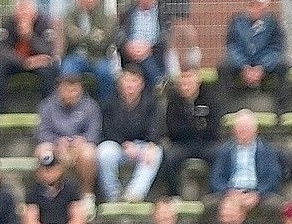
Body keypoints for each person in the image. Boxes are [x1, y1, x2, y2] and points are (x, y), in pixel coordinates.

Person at [97, 70, 161, 203]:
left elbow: (155, 127)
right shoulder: (109, 103)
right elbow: (107, 130)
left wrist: (151, 144)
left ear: (141, 84)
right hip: (118, 145)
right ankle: (113, 195)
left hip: (142, 145)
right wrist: (124, 144)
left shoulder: (151, 103)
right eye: (126, 81)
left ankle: (134, 194)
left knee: (155, 153)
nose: (130, 85)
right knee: (103, 152)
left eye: (134, 81)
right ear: (119, 84)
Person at [0, 0, 59, 109]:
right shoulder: (8, 23)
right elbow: (1, 49)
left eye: (26, 9)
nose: (23, 13)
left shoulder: (44, 22)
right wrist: (24, 62)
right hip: (16, 62)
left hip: (38, 63)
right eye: (20, 10)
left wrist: (30, 36)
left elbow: (48, 50)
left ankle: (47, 110)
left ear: (34, 11)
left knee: (48, 70)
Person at [37, 69, 102, 194]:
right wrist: (57, 141)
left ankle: (87, 194)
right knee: (43, 152)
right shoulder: (47, 106)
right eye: (68, 90)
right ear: (59, 89)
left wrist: (82, 140)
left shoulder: (90, 106)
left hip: (80, 145)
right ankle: (47, 192)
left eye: (75, 90)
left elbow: (94, 131)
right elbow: (42, 132)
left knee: (88, 154)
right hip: (56, 145)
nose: (72, 94)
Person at [159, 69, 221, 198]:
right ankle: (173, 194)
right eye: (182, 84)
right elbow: (173, 130)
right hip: (182, 144)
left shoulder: (210, 98)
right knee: (169, 157)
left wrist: (192, 127)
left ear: (197, 83)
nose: (185, 87)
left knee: (219, 154)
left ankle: (214, 193)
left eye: (188, 84)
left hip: (206, 144)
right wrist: (197, 126)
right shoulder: (173, 101)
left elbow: (214, 128)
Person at [209, 109, 284, 213]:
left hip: (257, 193)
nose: (242, 132)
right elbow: (216, 178)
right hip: (231, 192)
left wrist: (257, 194)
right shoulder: (225, 150)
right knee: (209, 203)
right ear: (234, 130)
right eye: (240, 128)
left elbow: (273, 177)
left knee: (275, 204)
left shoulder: (266, 150)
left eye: (246, 128)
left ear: (255, 130)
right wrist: (228, 193)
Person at [61, 0, 118, 100]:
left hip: (98, 57)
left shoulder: (105, 16)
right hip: (74, 56)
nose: (89, 0)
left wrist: (80, 34)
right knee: (67, 71)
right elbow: (71, 37)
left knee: (105, 73)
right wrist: (92, 36)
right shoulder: (70, 15)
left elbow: (104, 41)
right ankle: (72, 105)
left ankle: (105, 106)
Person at [117, 0, 167, 88]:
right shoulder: (127, 13)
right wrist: (128, 46)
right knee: (141, 62)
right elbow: (119, 34)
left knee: (146, 60)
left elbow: (165, 36)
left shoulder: (162, 14)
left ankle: (156, 83)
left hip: (153, 53)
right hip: (130, 55)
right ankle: (158, 83)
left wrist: (149, 47)